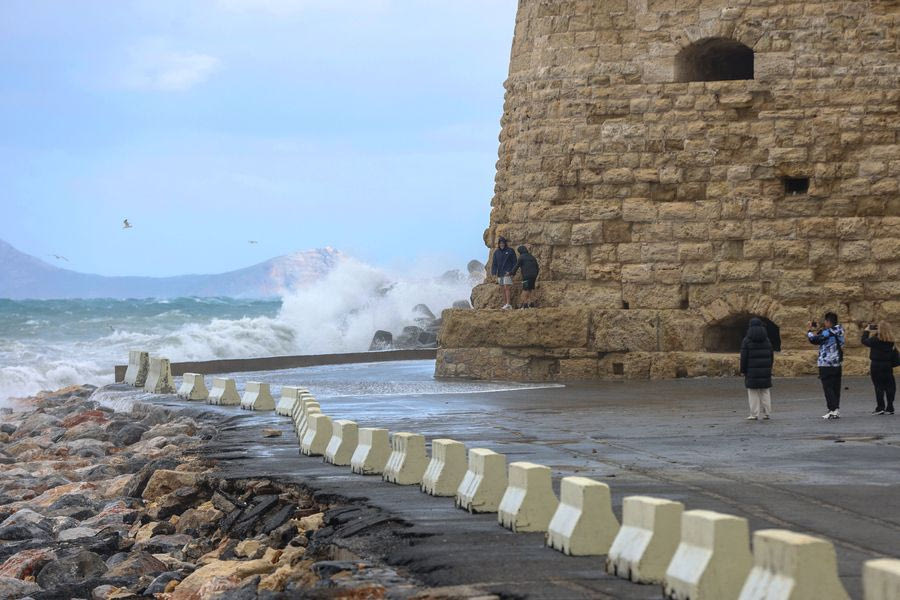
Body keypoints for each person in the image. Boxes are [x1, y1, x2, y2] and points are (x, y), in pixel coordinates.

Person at [807, 312, 845, 419]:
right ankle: (836, 409)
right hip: (837, 363)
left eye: (825, 321)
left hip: (826, 363)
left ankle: (832, 409)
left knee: (828, 387)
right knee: (836, 387)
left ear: (828, 322)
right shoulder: (840, 330)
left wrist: (809, 331)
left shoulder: (827, 332)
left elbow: (814, 340)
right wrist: (820, 330)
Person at [740, 317, 774, 420]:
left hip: (752, 371)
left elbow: (744, 357)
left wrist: (743, 370)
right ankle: (767, 413)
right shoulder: (767, 340)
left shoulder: (746, 340)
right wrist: (769, 367)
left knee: (753, 392)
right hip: (765, 370)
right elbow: (771, 356)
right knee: (765, 391)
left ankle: (754, 414)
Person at [861, 320, 897, 415]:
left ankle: (880, 407)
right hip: (887, 365)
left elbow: (864, 341)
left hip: (876, 365)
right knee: (890, 386)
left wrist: (867, 330)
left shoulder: (875, 340)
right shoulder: (891, 341)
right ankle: (890, 407)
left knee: (879, 386)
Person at [490, 237, 517, 310]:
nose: (502, 244)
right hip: (500, 273)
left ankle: (508, 304)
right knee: (502, 289)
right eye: (500, 243)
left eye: (503, 243)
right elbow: (494, 263)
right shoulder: (496, 252)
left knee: (506, 287)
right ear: (499, 244)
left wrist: (511, 272)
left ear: (505, 243)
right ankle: (505, 304)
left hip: (507, 273)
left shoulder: (510, 251)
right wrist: (494, 272)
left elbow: (515, 262)